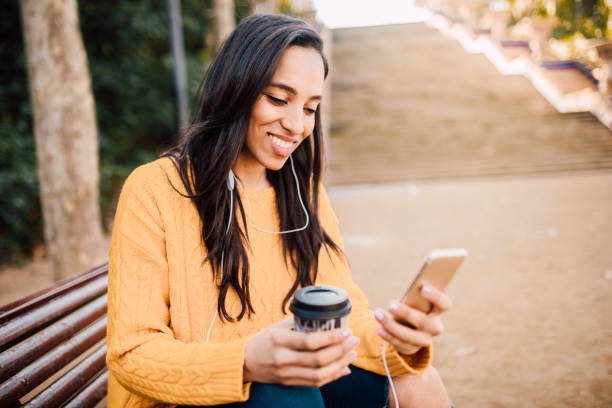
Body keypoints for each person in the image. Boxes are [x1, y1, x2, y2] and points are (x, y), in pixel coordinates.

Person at [106, 13, 452, 408]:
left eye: (310, 108)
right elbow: (130, 353)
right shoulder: (155, 189)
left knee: (417, 380)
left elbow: (344, 315)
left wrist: (398, 338)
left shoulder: (303, 192)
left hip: (289, 390)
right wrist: (247, 363)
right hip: (187, 398)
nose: (296, 125)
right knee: (289, 398)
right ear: (236, 88)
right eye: (278, 98)